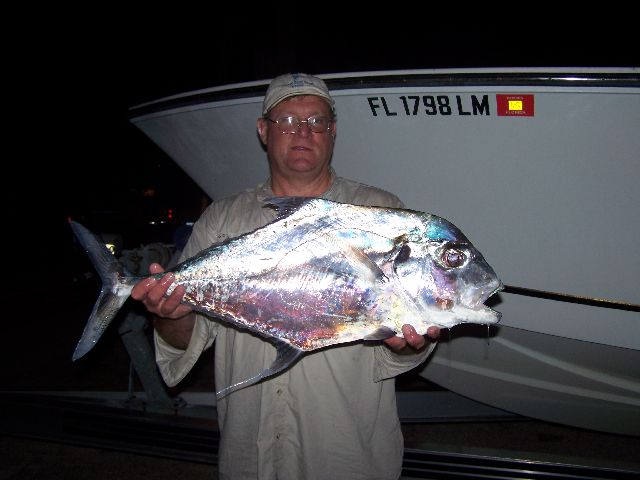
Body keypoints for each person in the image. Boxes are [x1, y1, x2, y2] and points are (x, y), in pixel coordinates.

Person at [131, 73, 440, 480]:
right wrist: (169, 314)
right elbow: (185, 337)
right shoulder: (223, 219)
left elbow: (401, 347)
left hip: (346, 453)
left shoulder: (379, 213)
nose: (303, 133)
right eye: (287, 121)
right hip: (250, 455)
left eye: (316, 122)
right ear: (263, 131)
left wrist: (408, 345)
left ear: (332, 132)